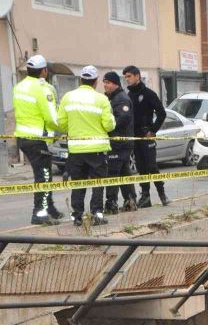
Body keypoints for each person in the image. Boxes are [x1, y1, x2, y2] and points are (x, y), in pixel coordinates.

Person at [58, 66, 115, 226]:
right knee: (97, 183)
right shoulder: (102, 99)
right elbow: (109, 125)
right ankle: (97, 214)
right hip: (97, 150)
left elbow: (61, 123)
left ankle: (77, 216)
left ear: (81, 80)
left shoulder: (68, 97)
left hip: (76, 150)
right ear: (96, 81)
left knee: (78, 182)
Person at [12, 54, 64, 225]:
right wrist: (66, 129)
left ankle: (50, 209)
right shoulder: (43, 89)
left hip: (23, 137)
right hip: (38, 139)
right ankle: (39, 213)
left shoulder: (19, 86)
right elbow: (52, 118)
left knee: (45, 174)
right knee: (44, 176)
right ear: (44, 71)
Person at [123, 65, 169, 208]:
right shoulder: (128, 96)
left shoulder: (148, 93)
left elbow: (162, 113)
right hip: (135, 136)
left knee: (152, 166)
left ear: (137, 76)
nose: (127, 80)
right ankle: (145, 196)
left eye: (129, 76)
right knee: (141, 167)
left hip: (146, 134)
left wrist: (153, 130)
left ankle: (162, 195)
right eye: (125, 77)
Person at [102, 71, 136, 214]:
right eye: (104, 82)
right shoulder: (111, 98)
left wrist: (106, 125)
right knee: (123, 171)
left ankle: (111, 203)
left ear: (115, 84)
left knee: (113, 172)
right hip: (118, 142)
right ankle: (130, 201)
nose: (105, 85)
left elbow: (123, 119)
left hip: (120, 142)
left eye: (108, 82)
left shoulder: (121, 99)